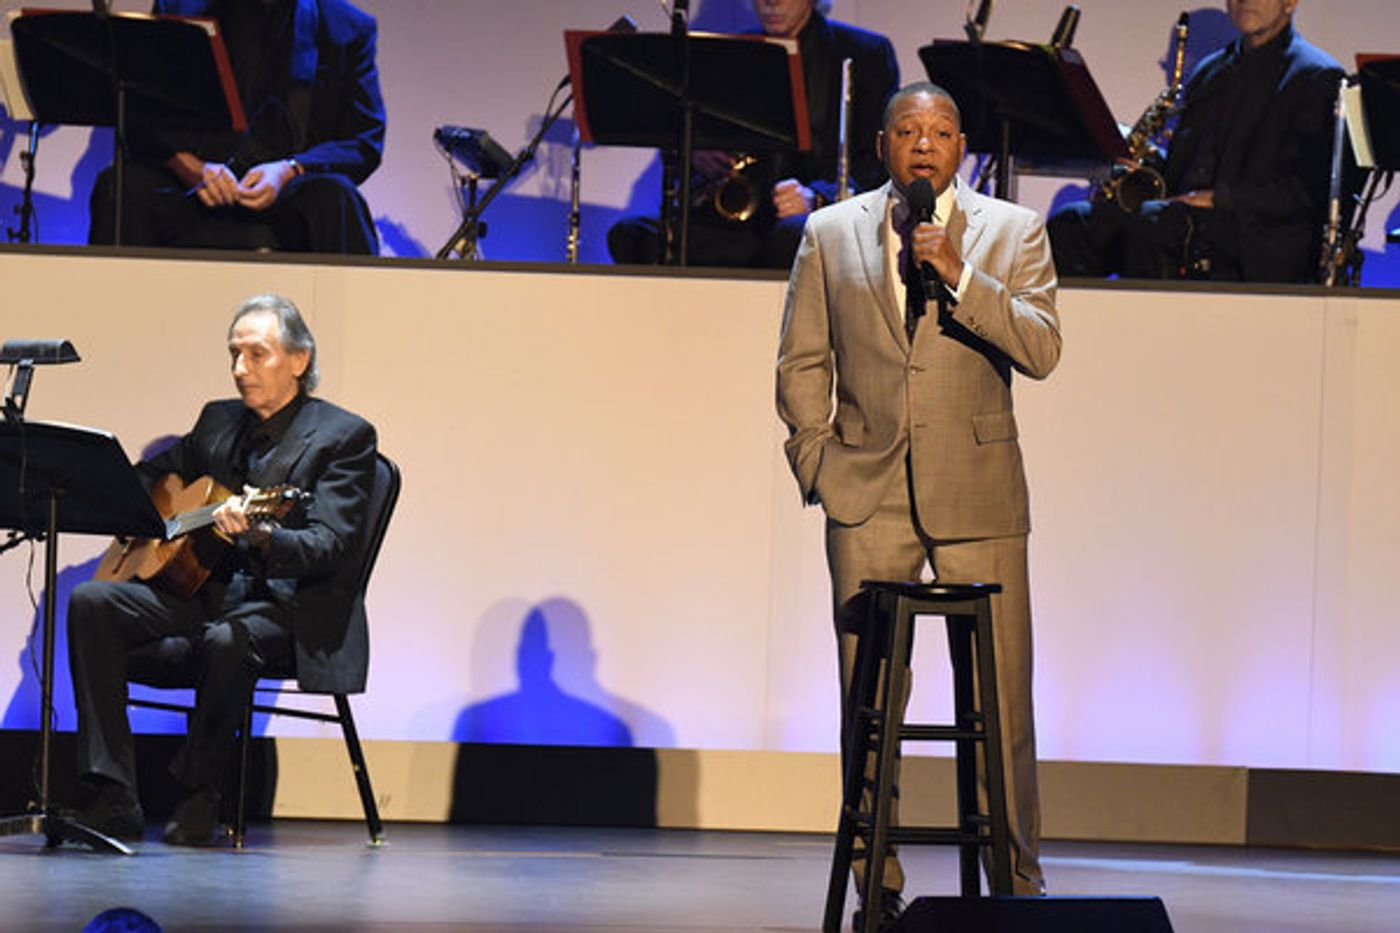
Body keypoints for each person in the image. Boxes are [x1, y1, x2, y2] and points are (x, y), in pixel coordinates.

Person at [776, 82, 1060, 925]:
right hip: (867, 494)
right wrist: (818, 462)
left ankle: (1018, 885)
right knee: (867, 701)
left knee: (1004, 702)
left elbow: (1042, 348)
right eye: (908, 131)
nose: (924, 145)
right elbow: (801, 362)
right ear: (883, 144)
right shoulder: (830, 234)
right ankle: (878, 882)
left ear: (961, 145)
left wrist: (956, 272)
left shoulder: (1015, 231)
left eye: (939, 132)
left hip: (979, 492)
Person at [66, 294, 378, 846]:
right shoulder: (217, 419)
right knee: (92, 601)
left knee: (227, 641)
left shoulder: (344, 437)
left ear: (299, 361)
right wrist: (144, 520)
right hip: (200, 595)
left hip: (287, 609)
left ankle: (197, 790)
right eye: (234, 354)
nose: (240, 369)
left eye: (256, 355)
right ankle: (111, 795)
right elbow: (152, 477)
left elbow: (330, 546)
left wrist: (260, 534)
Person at [1047, 0, 1343, 283]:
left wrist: (1218, 198)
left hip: (1257, 232)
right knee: (1071, 224)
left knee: (1151, 225)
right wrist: (1142, 166)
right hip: (1187, 217)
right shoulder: (1210, 70)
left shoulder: (1316, 76)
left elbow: (1306, 192)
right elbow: (1181, 165)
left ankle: (1149, 330)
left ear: (1289, 2)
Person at [607, 0, 898, 268]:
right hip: (739, 223)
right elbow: (687, 142)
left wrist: (818, 198)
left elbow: (880, 160)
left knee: (789, 236)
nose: (770, 2)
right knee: (631, 236)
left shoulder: (865, 52)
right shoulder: (735, 51)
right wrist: (699, 153)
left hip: (813, 219)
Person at [88, 0, 386, 255]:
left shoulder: (346, 26)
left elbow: (363, 141)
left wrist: (289, 169)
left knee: (336, 199)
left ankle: (353, 322)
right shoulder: (180, 6)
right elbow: (141, 115)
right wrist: (191, 168)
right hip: (191, 187)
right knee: (120, 188)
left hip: (289, 194)